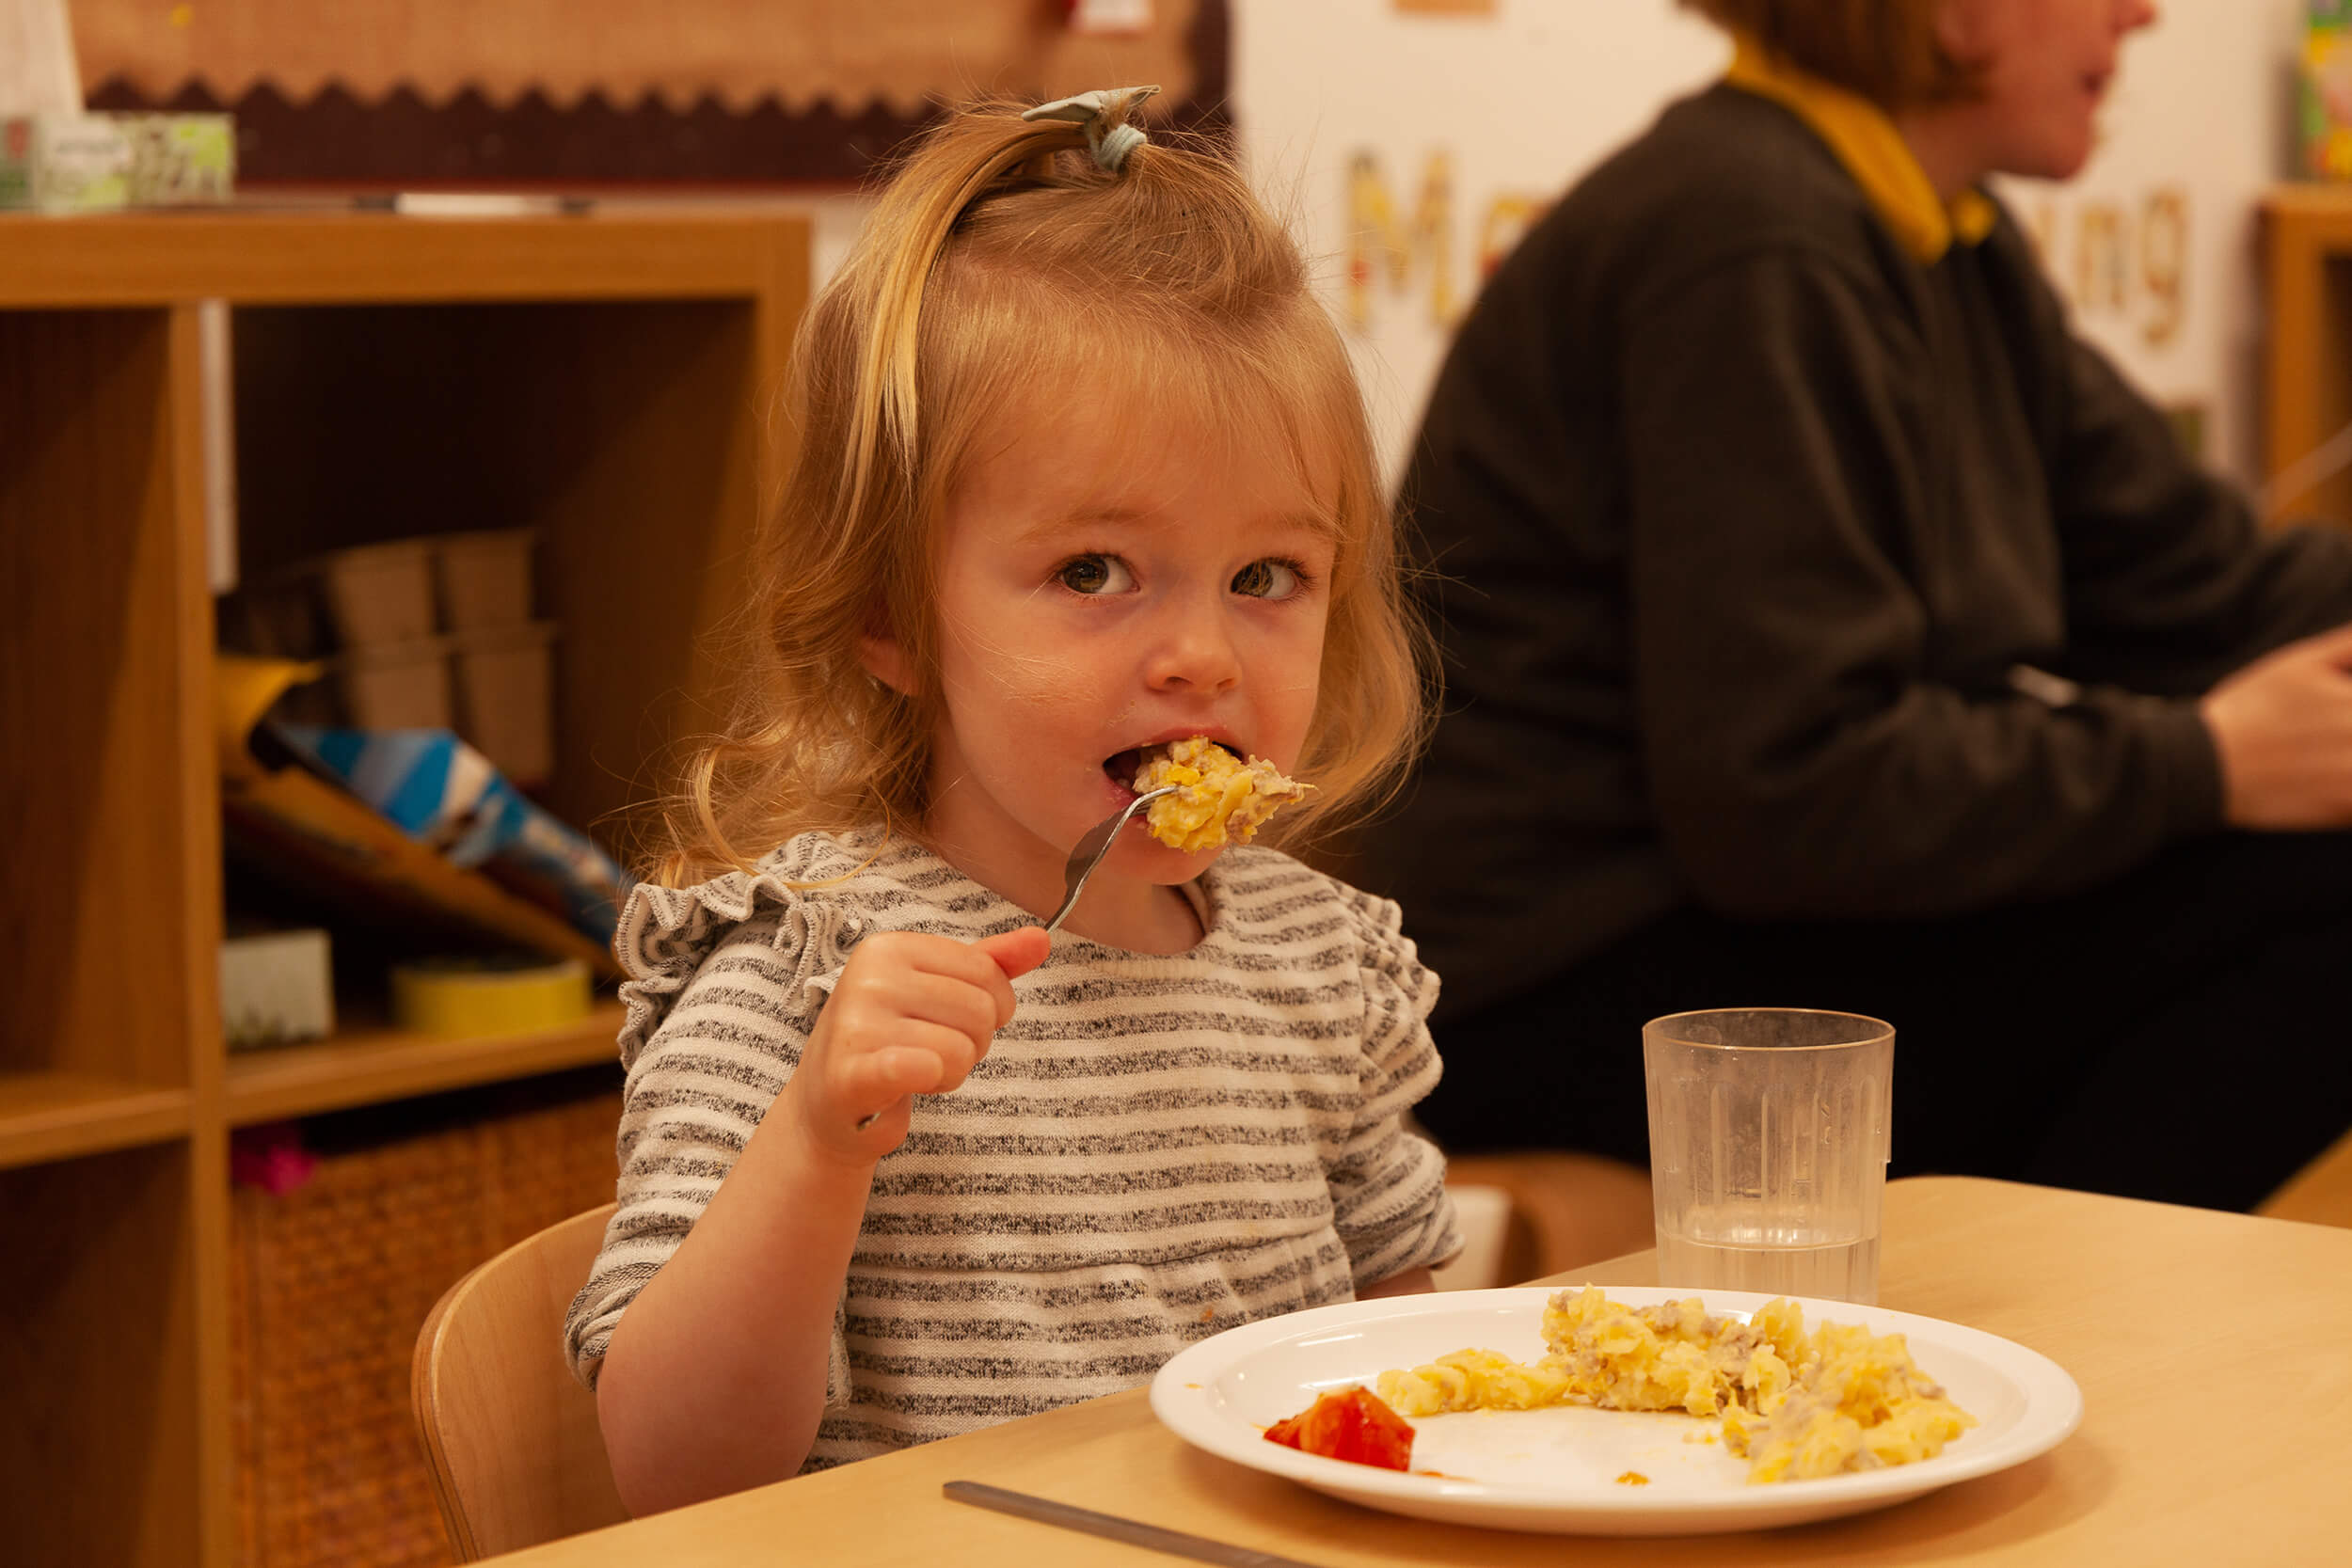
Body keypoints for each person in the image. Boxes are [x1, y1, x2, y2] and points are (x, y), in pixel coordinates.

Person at [562, 88, 1459, 1515]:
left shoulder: (1317, 967)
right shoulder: (798, 971)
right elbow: (669, 1470)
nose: (1203, 657)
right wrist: (816, 1145)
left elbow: (1417, 1379)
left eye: (1266, 578)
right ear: (890, 617)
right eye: (1094, 573)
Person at [1365, 0, 2352, 1215]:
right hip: (1565, 976)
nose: (2143, 16)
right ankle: (2029, 1330)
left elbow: (2209, 584)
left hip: (1738, 908)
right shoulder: (1752, 239)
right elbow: (1788, 791)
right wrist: (2205, 764)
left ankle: (2038, 1313)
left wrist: (2212, 758)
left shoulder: (1935, 235)